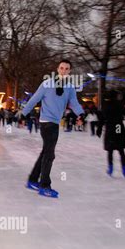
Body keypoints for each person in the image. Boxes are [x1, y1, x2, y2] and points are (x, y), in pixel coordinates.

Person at [22, 59, 84, 198]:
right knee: (49, 154)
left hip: (55, 123)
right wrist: (23, 113)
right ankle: (44, 186)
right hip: (46, 122)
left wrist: (81, 114)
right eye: (61, 68)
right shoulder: (47, 84)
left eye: (67, 69)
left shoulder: (69, 87)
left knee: (46, 152)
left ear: (69, 71)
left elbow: (74, 103)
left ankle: (32, 180)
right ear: (57, 69)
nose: (64, 70)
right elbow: (34, 99)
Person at [97, 90, 125, 178]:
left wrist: (99, 129)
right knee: (121, 150)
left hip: (110, 128)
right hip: (118, 127)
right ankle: (124, 168)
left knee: (110, 150)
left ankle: (110, 168)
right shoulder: (119, 105)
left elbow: (102, 118)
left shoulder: (106, 106)